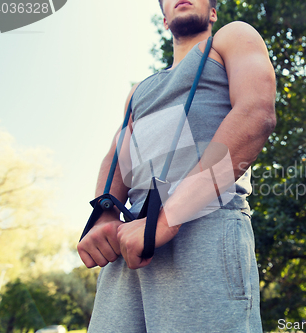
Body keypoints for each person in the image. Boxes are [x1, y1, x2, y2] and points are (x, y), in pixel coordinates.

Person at [77, 0, 276, 331]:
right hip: (130, 243)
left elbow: (256, 113)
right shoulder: (137, 92)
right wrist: (105, 214)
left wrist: (170, 216)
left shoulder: (232, 37)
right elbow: (116, 155)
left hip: (206, 225)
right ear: (165, 19)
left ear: (213, 12)